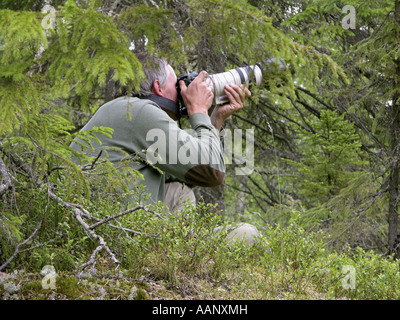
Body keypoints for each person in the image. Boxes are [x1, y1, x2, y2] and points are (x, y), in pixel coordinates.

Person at [70, 52, 260, 244]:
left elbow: (193, 170)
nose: (182, 90)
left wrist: (215, 119)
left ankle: (182, 253)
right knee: (247, 234)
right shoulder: (140, 111)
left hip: (104, 233)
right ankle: (184, 258)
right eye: (176, 83)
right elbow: (213, 172)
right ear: (157, 88)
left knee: (178, 188)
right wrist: (199, 111)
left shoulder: (124, 111)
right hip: (121, 241)